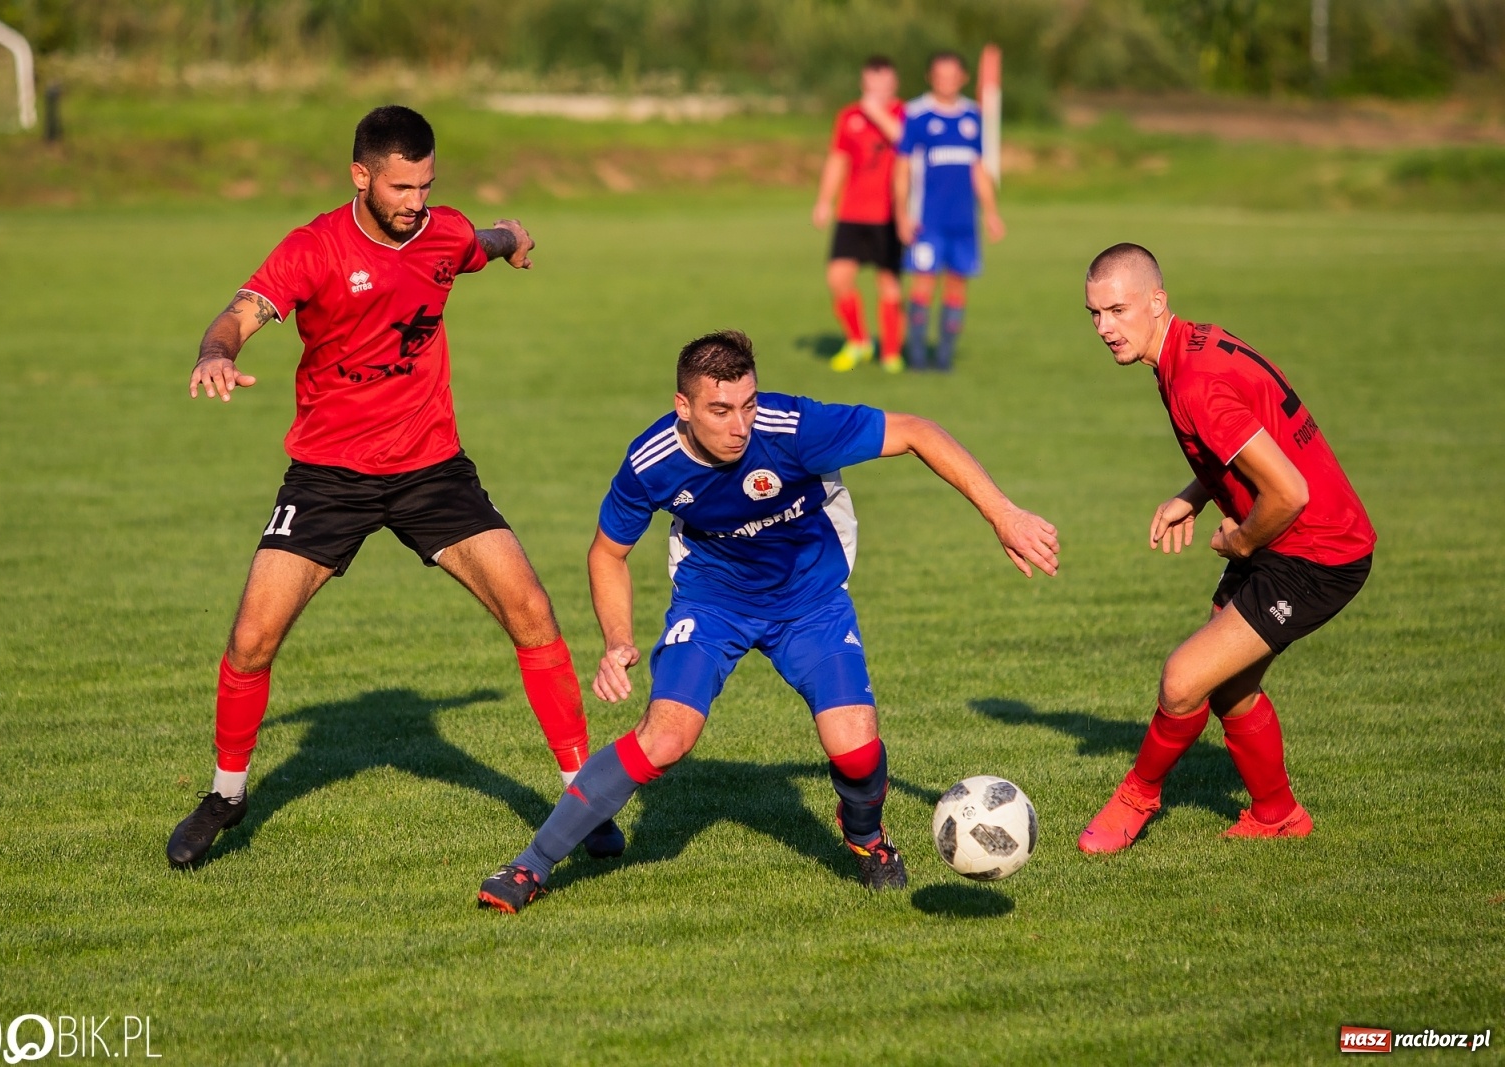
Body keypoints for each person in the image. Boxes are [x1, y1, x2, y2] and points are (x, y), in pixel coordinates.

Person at [167, 105, 623, 869]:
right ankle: (227, 793)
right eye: (402, 186)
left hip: (429, 468)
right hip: (329, 475)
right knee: (251, 639)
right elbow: (240, 314)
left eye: (427, 185)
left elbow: (479, 240)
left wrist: (514, 240)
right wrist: (215, 352)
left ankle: (579, 801)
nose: (416, 202)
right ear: (361, 177)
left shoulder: (442, 232)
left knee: (532, 610)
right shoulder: (314, 248)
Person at [478, 329, 1059, 912]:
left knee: (855, 751)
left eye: (749, 405)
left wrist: (1003, 515)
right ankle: (530, 867)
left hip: (810, 600)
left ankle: (866, 840)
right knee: (667, 737)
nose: (740, 425)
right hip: (713, 602)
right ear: (684, 407)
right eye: (720, 410)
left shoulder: (794, 429)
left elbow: (916, 431)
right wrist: (617, 641)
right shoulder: (651, 463)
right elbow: (608, 553)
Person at [1078, 243, 1376, 853]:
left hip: (1317, 552)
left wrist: (1238, 539)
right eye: (1095, 314)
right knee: (1230, 686)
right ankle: (1277, 815)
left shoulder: (1192, 381)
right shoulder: (1192, 344)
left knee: (1183, 679)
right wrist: (1196, 494)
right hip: (1292, 540)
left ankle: (1138, 797)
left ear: (1157, 301)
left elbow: (1288, 492)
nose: (1105, 328)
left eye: (1118, 310)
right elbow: (1250, 444)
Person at [893, 51, 1006, 373]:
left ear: (963, 78)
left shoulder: (972, 116)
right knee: (923, 285)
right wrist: (902, 214)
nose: (946, 80)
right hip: (927, 221)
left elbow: (978, 170)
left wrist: (991, 213)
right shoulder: (917, 115)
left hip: (963, 223)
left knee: (957, 286)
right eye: (940, 75)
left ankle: (943, 359)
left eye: (952, 74)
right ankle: (915, 356)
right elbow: (902, 169)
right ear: (931, 77)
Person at [812, 56, 907, 374]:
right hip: (852, 212)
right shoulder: (849, 116)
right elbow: (837, 160)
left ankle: (892, 353)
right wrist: (824, 201)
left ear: (894, 84)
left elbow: (905, 143)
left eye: (884, 83)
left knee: (889, 282)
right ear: (863, 84)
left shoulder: (905, 114)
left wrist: (876, 113)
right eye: (871, 83)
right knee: (838, 277)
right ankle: (858, 341)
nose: (877, 89)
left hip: (890, 214)